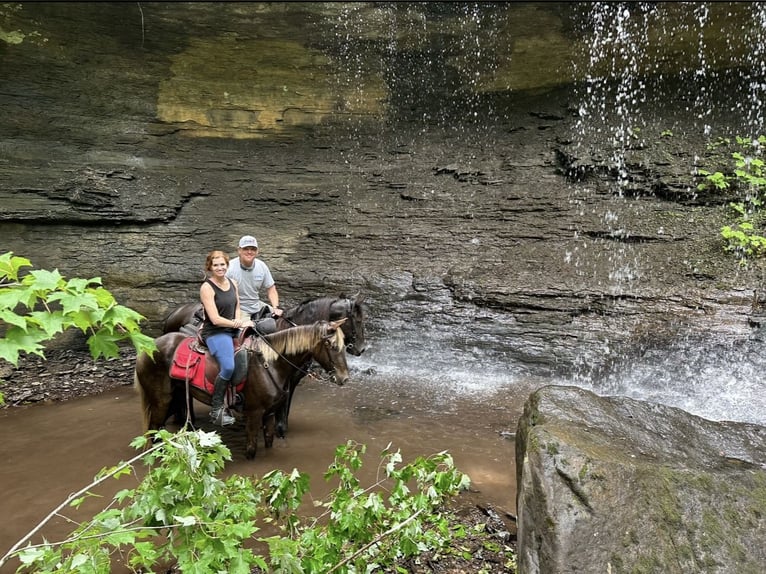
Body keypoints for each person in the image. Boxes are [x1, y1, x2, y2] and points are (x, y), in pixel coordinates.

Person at [199, 250, 253, 426]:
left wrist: (238, 319)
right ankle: (216, 410)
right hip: (216, 332)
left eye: (223, 264)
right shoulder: (207, 288)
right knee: (228, 367)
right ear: (210, 267)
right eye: (216, 265)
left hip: (232, 327)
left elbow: (237, 305)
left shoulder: (232, 283)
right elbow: (214, 319)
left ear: (227, 265)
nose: (220, 268)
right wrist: (238, 324)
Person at [226, 235, 284, 322]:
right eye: (246, 249)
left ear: (257, 251)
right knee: (246, 331)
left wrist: (276, 307)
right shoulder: (229, 268)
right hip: (239, 308)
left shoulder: (262, 266)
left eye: (253, 249)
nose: (249, 252)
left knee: (282, 320)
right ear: (239, 250)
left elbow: (271, 288)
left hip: (256, 304)